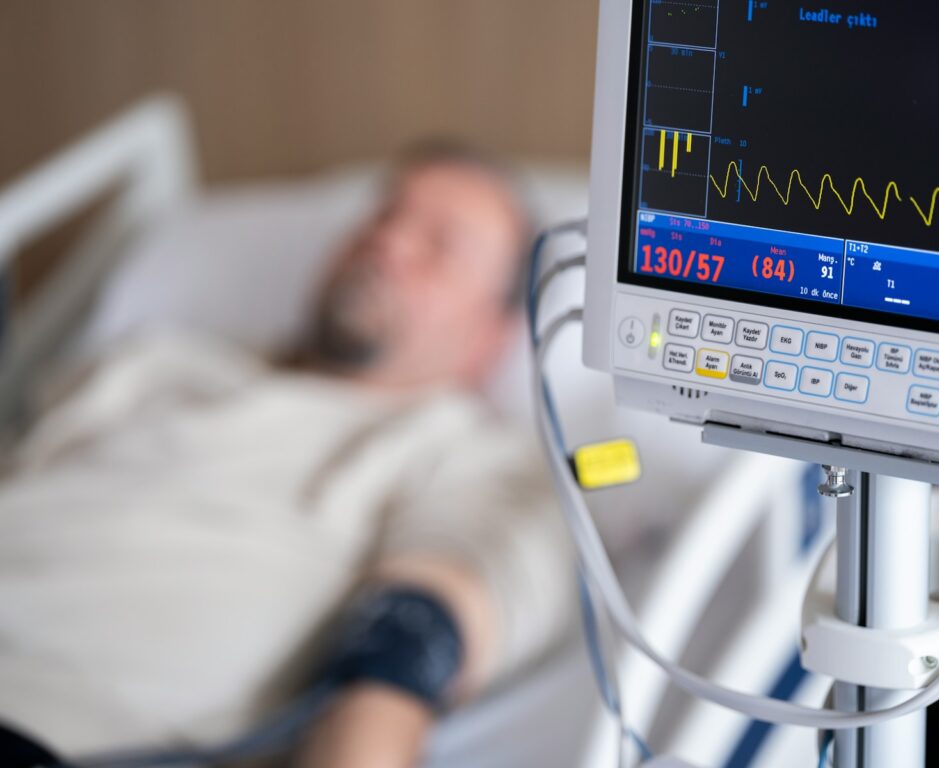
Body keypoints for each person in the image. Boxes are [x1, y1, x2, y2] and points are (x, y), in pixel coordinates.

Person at [0, 144, 573, 768]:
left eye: (440, 246)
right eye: (383, 216)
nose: (388, 243)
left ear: (495, 332)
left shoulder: (467, 454)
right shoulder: (151, 364)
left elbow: (412, 643)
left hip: (56, 728)